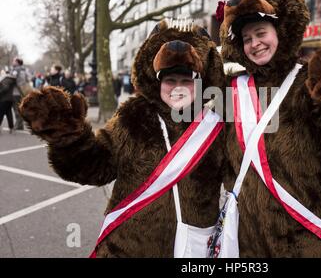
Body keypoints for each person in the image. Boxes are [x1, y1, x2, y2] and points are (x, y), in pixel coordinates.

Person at [19, 19, 227, 257]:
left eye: (186, 81)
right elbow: (95, 167)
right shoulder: (133, 116)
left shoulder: (216, 125)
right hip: (129, 247)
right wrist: (67, 135)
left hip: (196, 250)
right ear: (156, 80)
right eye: (170, 81)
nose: (177, 88)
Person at [218, 0, 321, 257]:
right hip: (248, 237)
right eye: (247, 38)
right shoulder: (232, 90)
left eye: (261, 33)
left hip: (305, 237)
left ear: (280, 31)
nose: (255, 44)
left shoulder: (310, 82)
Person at [11, 57, 28, 130]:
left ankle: (18, 124)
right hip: (23, 91)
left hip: (16, 91)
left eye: (13, 61)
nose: (12, 62)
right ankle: (20, 125)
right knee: (20, 107)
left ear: (17, 62)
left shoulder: (16, 69)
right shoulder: (24, 70)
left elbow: (13, 78)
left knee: (16, 108)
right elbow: (27, 79)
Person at [0, 69, 16, 134]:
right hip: (9, 99)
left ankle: (11, 128)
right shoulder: (10, 79)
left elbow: (5, 88)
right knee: (9, 113)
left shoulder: (6, 79)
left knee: (0, 113)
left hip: (4, 99)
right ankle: (11, 128)